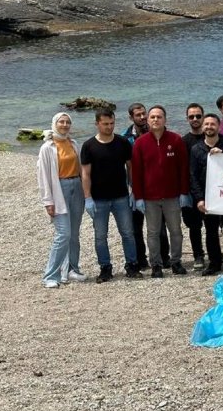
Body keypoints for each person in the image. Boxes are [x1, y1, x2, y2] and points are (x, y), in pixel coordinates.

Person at [80, 108, 140, 283]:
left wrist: (133, 190)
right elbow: (85, 174)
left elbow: (130, 167)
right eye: (105, 124)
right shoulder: (89, 146)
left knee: (128, 233)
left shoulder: (122, 142)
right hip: (98, 199)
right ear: (97, 123)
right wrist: (87, 197)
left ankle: (132, 265)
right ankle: (105, 268)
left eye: (112, 123)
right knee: (100, 235)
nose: (109, 127)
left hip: (121, 196)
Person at [131, 105, 190, 278]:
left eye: (159, 117)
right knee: (153, 232)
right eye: (152, 117)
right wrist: (138, 196)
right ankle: (156, 264)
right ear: (148, 121)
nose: (155, 119)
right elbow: (136, 172)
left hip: (172, 197)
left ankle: (176, 262)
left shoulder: (176, 140)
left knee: (176, 231)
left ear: (165, 119)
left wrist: (184, 192)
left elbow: (183, 168)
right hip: (149, 198)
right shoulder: (140, 143)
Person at [190, 113, 223, 276]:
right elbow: (192, 175)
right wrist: (199, 199)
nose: (209, 127)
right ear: (202, 126)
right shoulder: (196, 149)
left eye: (212, 124)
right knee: (211, 231)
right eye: (206, 124)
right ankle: (214, 262)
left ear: (218, 125)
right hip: (209, 197)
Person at [36, 112, 86, 288]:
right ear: (54, 124)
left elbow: (81, 169)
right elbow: (43, 177)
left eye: (67, 122)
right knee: (63, 234)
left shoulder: (74, 144)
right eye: (61, 122)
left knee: (74, 233)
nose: (64, 125)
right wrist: (47, 201)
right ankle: (51, 275)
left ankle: (72, 269)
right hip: (59, 189)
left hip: (77, 187)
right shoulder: (47, 147)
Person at [122, 102, 169, 269]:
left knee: (159, 227)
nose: (142, 117)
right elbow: (125, 165)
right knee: (136, 227)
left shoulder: (157, 133)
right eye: (138, 115)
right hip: (134, 188)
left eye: (144, 114)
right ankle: (141, 259)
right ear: (131, 117)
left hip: (154, 189)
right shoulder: (125, 138)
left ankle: (164, 257)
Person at [180, 103, 207, 271]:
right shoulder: (182, 141)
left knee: (215, 224)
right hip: (191, 190)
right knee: (194, 226)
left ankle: (216, 252)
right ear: (187, 119)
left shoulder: (212, 136)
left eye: (198, 116)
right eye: (192, 116)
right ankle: (198, 254)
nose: (195, 119)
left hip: (213, 189)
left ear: (203, 117)